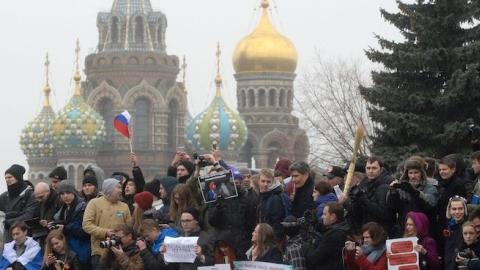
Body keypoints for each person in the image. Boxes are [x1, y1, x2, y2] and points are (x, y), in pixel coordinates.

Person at [83, 178, 132, 270]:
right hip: (99, 252)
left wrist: (121, 235)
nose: (121, 190)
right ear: (110, 189)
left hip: (119, 253)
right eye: (118, 187)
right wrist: (106, 232)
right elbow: (86, 225)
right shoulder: (94, 203)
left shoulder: (124, 206)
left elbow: (129, 228)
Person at [208, 169, 257, 256]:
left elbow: (251, 222)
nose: (236, 184)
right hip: (223, 242)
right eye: (234, 182)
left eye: (238, 182)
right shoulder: (218, 198)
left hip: (241, 243)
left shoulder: (246, 197)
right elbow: (212, 221)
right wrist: (218, 205)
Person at [387, 158, 438, 235]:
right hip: (405, 229)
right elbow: (392, 209)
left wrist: (415, 192)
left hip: (424, 230)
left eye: (416, 172)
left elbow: (430, 205)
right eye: (410, 173)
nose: (413, 176)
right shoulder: (402, 188)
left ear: (422, 173)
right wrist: (393, 192)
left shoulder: (430, 187)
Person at [344, 157, 393, 234]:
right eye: (368, 168)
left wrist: (364, 200)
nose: (370, 171)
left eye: (374, 168)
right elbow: (357, 212)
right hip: (367, 230)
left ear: (381, 169)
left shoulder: (386, 184)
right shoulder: (364, 183)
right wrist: (351, 200)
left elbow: (384, 213)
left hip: (381, 231)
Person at [302, 202, 350, 270]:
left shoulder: (334, 235)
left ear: (333, 216)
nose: (322, 217)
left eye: (325, 214)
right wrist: (315, 223)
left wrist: (305, 247)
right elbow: (327, 230)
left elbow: (315, 258)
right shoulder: (343, 227)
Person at [53, 183, 91, 268]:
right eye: (62, 194)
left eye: (68, 193)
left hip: (81, 250)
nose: (65, 196)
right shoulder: (64, 209)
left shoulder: (83, 207)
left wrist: (65, 228)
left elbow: (85, 231)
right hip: (70, 251)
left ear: (73, 193)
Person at [0, 164, 39, 242]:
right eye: (6, 178)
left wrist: (8, 221)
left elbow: (29, 215)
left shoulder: (30, 194)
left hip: (27, 236)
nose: (7, 180)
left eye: (10, 177)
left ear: (18, 177)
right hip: (8, 237)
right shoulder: (4, 196)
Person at [257, 168, 290, 239]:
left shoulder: (275, 198)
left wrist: (272, 241)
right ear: (258, 181)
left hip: (271, 240)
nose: (265, 184)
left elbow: (277, 223)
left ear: (273, 182)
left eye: (268, 182)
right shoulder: (264, 195)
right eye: (263, 181)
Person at [444, 196, 468, 270]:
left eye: (460, 208)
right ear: (449, 211)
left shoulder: (468, 227)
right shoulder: (448, 226)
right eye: (454, 209)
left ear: (465, 210)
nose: (457, 212)